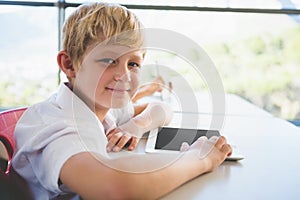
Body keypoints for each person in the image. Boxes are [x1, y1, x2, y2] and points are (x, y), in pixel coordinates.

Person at [11, 2, 232, 199]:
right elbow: (115, 188)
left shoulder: (101, 108)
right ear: (69, 65)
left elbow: (161, 109)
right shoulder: (55, 126)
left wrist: (137, 125)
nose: (124, 75)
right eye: (108, 60)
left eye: (133, 64)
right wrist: (200, 159)